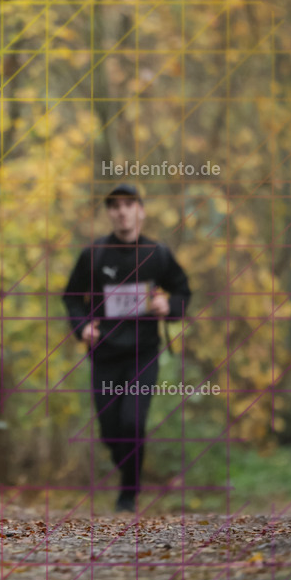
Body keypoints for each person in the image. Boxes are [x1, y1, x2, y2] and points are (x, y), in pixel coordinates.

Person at [62, 183, 191, 513]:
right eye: (115, 206)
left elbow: (182, 291)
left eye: (129, 204)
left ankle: (128, 495)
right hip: (104, 354)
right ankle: (130, 473)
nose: (122, 211)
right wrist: (83, 326)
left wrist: (169, 306)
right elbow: (72, 297)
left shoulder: (157, 254)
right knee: (110, 432)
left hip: (142, 354)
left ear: (141, 211)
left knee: (132, 422)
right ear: (109, 213)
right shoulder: (94, 255)